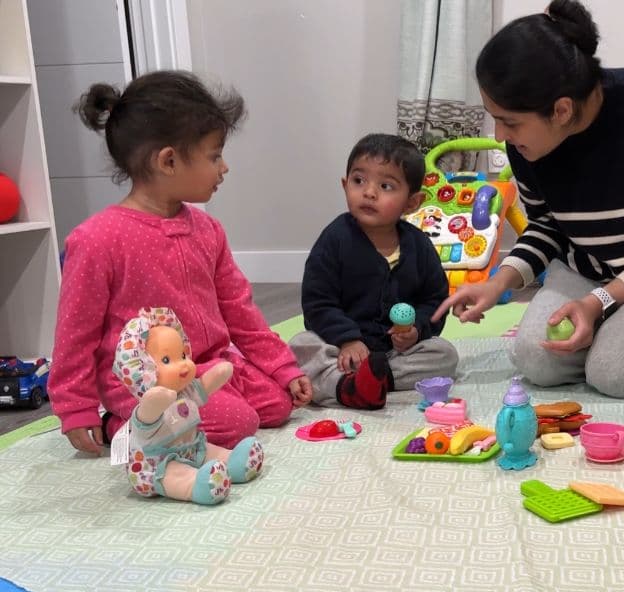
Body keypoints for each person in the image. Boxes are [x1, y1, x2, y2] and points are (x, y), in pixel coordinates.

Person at [432, 0, 624, 398]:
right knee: (535, 358)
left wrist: (599, 302)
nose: (501, 135)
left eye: (509, 122)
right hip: (592, 269)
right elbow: (547, 227)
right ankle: (620, 333)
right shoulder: (527, 146)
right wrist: (499, 282)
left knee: (615, 371)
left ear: (561, 110)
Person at [49, 70, 312, 455]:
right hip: (149, 382)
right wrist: (75, 407)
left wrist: (282, 368)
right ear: (169, 161)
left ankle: (172, 422)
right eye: (215, 156)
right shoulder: (97, 239)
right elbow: (75, 332)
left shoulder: (208, 230)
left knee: (277, 404)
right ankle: (125, 424)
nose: (224, 167)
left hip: (210, 366)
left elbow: (240, 310)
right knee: (239, 423)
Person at [289, 134, 458, 409]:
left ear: (412, 202)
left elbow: (435, 300)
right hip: (342, 351)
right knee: (301, 346)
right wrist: (348, 339)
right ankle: (347, 385)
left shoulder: (419, 245)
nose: (369, 192)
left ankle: (374, 380)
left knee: (445, 354)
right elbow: (318, 302)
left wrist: (416, 330)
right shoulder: (334, 240)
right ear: (345, 185)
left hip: (394, 354)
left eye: (386, 186)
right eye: (358, 181)